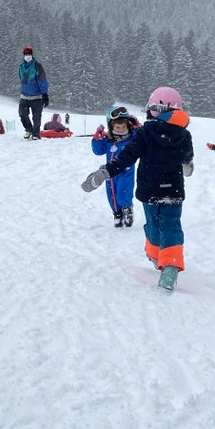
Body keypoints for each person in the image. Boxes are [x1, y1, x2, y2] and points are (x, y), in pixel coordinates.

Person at [82, 87, 194, 291]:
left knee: (153, 224)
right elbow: (187, 160)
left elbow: (126, 158)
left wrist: (106, 172)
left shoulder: (145, 133)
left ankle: (156, 256)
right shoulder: (184, 134)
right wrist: (187, 165)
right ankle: (170, 264)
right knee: (171, 225)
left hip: (150, 190)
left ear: (158, 108)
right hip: (173, 191)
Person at [90, 105, 140, 227]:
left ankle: (127, 210)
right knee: (112, 194)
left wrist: (138, 128)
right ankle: (117, 213)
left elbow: (142, 140)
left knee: (124, 192)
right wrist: (97, 138)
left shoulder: (132, 138)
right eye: (118, 127)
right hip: (110, 173)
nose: (121, 129)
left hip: (126, 171)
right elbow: (98, 151)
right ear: (111, 126)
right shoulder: (108, 140)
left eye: (124, 126)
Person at [18, 45, 49, 140]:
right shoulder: (21, 67)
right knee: (22, 114)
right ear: (23, 55)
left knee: (36, 117)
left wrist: (45, 94)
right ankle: (28, 129)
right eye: (26, 53)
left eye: (29, 53)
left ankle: (36, 134)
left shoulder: (37, 66)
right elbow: (21, 79)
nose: (28, 55)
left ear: (32, 54)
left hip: (37, 97)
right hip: (24, 96)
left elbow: (42, 81)